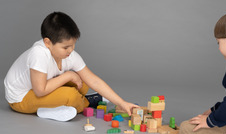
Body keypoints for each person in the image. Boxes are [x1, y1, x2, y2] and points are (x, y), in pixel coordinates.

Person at [4, 12, 138, 121]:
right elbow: (40, 90)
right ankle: (84, 102)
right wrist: (68, 75)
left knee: (83, 82)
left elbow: (93, 80)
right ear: (47, 43)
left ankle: (62, 106)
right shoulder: (38, 54)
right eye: (65, 47)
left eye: (73, 45)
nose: (70, 50)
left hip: (41, 87)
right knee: (71, 96)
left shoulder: (69, 54)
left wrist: (122, 103)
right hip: (21, 97)